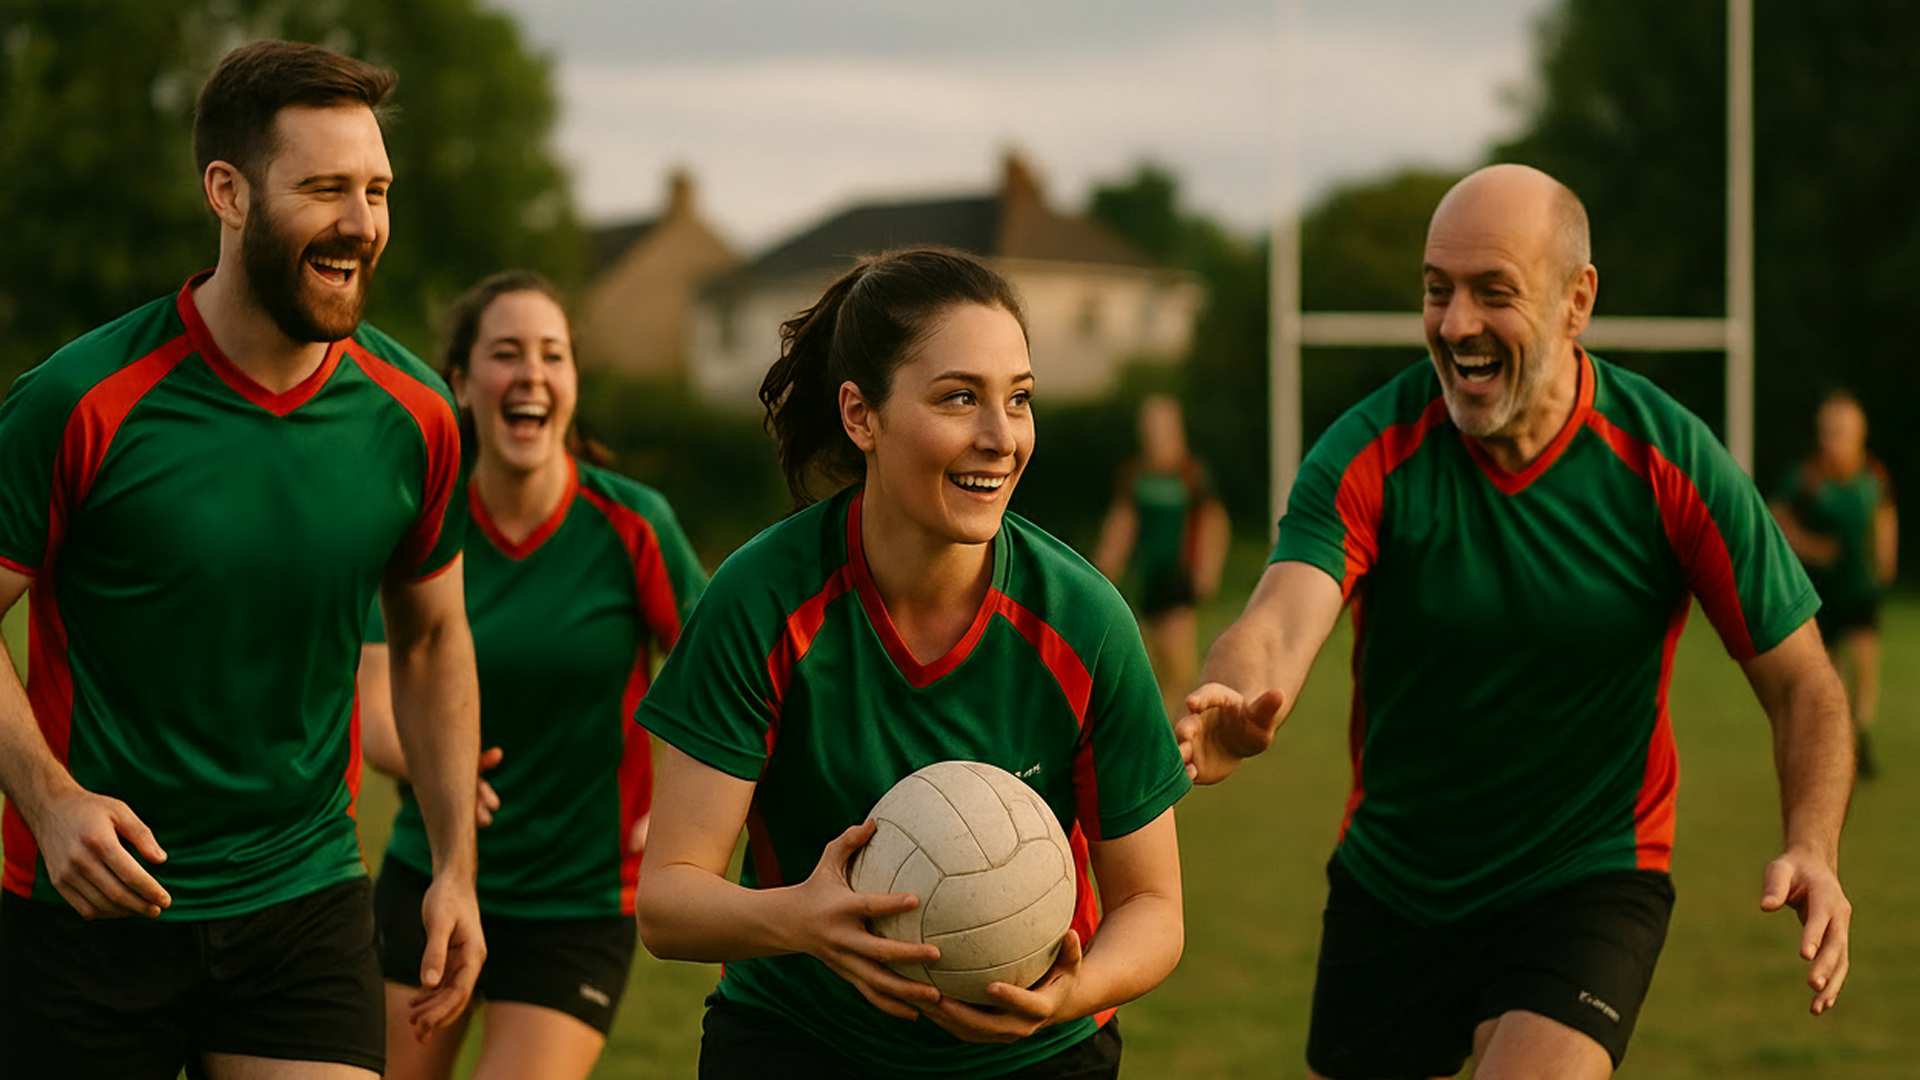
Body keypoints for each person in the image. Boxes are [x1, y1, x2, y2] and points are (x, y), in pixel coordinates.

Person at [1177, 164, 1854, 1080]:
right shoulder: (1373, 448)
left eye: (1494, 293)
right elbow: (1281, 616)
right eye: (1437, 291)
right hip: (1396, 883)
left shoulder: (1671, 462)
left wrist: (1813, 846)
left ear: (1577, 303)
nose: (1457, 325)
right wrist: (1237, 689)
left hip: (1588, 879)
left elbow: (1804, 683)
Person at [0, 40, 485, 1079]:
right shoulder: (77, 401)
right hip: (89, 902)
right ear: (227, 191)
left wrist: (454, 869)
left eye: (376, 190)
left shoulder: (419, 420)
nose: (361, 224)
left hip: (301, 899)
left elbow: (435, 636)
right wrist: (49, 803)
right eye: (323, 189)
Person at [633, 247, 1189, 1079]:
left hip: (1037, 1055)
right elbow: (669, 901)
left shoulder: (1085, 621)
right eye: (960, 398)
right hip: (800, 1040)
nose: (1001, 438)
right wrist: (803, 920)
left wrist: (1067, 995)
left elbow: (1153, 906)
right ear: (861, 416)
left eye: (1020, 399)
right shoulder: (760, 600)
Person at [356, 270, 707, 1080]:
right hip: (433, 875)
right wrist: (432, 763)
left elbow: (723, 682)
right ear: (461, 384)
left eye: (552, 355)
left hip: (579, 904)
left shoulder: (633, 526)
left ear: (572, 384)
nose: (531, 375)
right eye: (506, 353)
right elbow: (375, 701)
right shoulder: (419, 525)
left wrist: (688, 809)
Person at [1770, 391, 1898, 779]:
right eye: (1829, 430)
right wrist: (1809, 547)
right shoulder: (1808, 480)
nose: (1835, 439)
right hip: (1821, 591)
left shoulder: (1872, 475)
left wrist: (1886, 555)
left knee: (1865, 663)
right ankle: (1839, 743)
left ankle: (1863, 734)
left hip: (1861, 588)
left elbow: (1886, 513)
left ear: (1859, 431)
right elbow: (1775, 520)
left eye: (1843, 430)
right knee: (1831, 673)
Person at [1094, 393, 1230, 717]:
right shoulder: (1136, 474)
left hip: (1178, 575)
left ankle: (1177, 730)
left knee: (1177, 660)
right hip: (1148, 577)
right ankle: (1165, 725)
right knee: (1148, 663)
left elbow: (1215, 522)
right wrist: (1103, 568)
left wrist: (1207, 570)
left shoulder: (1190, 473)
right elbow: (1122, 523)